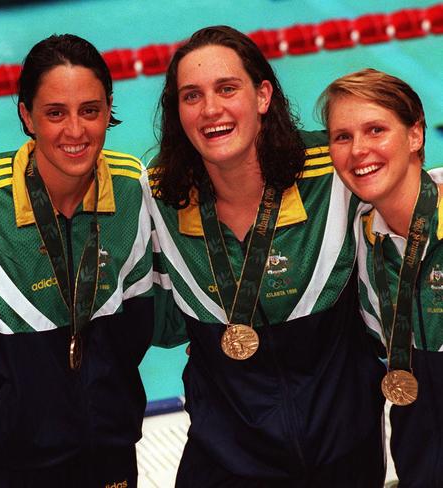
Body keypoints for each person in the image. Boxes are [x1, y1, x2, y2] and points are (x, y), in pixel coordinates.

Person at [148, 26, 386, 486]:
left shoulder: (334, 172)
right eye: (191, 96)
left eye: (227, 88)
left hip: (342, 454)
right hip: (226, 459)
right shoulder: (158, 199)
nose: (211, 109)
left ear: (262, 96)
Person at [0, 34, 153, 487]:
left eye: (90, 110)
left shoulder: (132, 187)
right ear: (26, 115)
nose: (75, 131)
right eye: (55, 113)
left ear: (109, 109)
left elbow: (140, 322)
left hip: (105, 452)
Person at [318, 67, 443, 487]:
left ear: (415, 136)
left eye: (375, 130)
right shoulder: (361, 239)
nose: (358, 151)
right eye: (342, 137)